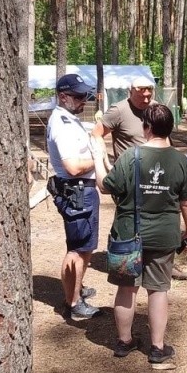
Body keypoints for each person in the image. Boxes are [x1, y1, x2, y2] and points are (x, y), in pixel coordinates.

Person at [92, 104, 187, 364]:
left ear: (146, 127)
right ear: (170, 128)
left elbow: (106, 187)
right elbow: (186, 203)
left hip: (128, 235)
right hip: (164, 236)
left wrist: (97, 157)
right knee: (158, 290)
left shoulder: (130, 156)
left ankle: (124, 341)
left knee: (127, 289)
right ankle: (158, 347)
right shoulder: (180, 160)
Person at [91, 76, 187, 281]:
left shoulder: (156, 108)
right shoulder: (118, 110)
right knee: (133, 219)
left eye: (149, 93)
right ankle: (129, 263)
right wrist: (105, 160)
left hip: (159, 172)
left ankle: (164, 263)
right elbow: (96, 134)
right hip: (129, 177)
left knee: (164, 214)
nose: (146, 99)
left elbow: (166, 137)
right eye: (141, 94)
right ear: (130, 91)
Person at [47, 73, 102, 321]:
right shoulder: (62, 124)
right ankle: (73, 302)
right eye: (79, 96)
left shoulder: (68, 118)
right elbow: (71, 166)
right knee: (78, 249)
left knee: (84, 246)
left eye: (85, 96)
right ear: (63, 96)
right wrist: (98, 157)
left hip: (80, 190)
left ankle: (76, 289)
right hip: (76, 189)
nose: (84, 101)